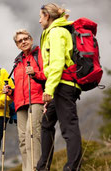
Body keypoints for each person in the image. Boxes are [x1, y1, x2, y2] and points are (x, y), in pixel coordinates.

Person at [36, 3, 82, 171]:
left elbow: (56, 63)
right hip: (58, 85)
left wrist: (48, 90)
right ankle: (43, 167)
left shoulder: (56, 32)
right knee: (46, 124)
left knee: (69, 126)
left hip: (63, 84)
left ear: (47, 16)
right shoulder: (54, 31)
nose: (39, 20)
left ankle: (72, 167)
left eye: (41, 16)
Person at [3, 29, 46, 170]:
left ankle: (35, 168)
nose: (24, 42)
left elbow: (48, 74)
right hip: (20, 103)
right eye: (20, 41)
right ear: (17, 45)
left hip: (36, 99)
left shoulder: (39, 54)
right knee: (22, 139)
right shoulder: (18, 62)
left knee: (32, 135)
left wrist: (35, 73)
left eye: (26, 38)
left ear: (31, 39)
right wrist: (10, 92)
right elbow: (19, 86)